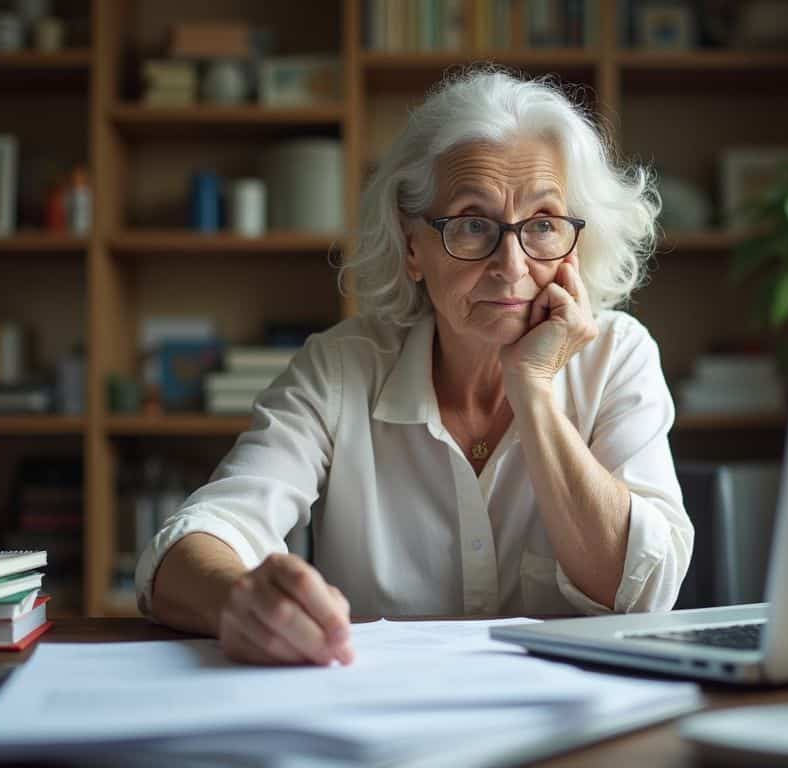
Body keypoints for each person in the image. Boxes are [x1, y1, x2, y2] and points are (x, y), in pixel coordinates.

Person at [136, 69, 693, 666]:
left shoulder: (618, 355)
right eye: (473, 224)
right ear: (412, 247)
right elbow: (192, 545)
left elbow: (640, 592)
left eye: (542, 225)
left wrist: (532, 392)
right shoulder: (340, 368)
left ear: (574, 244)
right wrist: (240, 600)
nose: (512, 265)